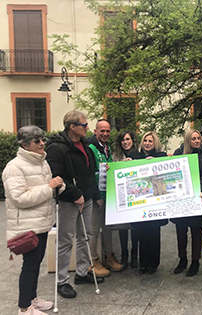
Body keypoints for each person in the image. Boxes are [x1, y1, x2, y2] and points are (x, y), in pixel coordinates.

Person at [3, 126, 64, 315]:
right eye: (37, 141)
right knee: (29, 266)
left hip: (42, 223)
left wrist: (58, 187)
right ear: (24, 145)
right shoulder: (14, 167)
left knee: (36, 263)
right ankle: (24, 307)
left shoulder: (41, 162)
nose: (42, 143)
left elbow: (48, 188)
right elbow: (19, 198)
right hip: (28, 225)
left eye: (42, 139)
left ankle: (32, 299)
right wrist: (49, 187)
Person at [46, 110, 105, 299]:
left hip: (86, 198)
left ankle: (81, 273)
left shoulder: (85, 145)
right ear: (72, 127)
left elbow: (89, 172)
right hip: (69, 200)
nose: (87, 128)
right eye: (84, 125)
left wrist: (94, 194)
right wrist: (75, 194)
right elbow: (57, 175)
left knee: (85, 236)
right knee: (65, 240)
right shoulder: (57, 147)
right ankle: (62, 281)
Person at [171, 129, 202, 276]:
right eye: (193, 139)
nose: (196, 141)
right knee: (180, 230)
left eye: (198, 138)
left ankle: (195, 261)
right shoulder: (178, 153)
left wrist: (201, 191)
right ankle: (182, 259)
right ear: (188, 140)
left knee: (196, 231)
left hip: (197, 197)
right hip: (180, 198)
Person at [129, 131, 168, 274]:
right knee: (141, 233)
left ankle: (153, 263)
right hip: (140, 202)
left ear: (155, 143)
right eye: (145, 140)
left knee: (154, 233)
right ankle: (143, 264)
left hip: (156, 201)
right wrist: (125, 163)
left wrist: (155, 163)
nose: (147, 143)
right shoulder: (134, 156)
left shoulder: (161, 156)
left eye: (150, 141)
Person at [88, 119, 122, 276]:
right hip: (97, 197)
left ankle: (109, 256)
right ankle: (93, 261)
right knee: (94, 229)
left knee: (107, 227)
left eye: (108, 131)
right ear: (95, 131)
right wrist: (96, 197)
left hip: (108, 195)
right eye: (102, 131)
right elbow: (88, 174)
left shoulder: (107, 148)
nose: (105, 133)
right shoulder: (91, 148)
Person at [113, 130, 141, 269]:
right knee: (122, 227)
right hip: (121, 196)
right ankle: (124, 255)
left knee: (135, 227)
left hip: (136, 196)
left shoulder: (138, 154)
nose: (126, 142)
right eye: (123, 140)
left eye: (128, 139)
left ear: (132, 140)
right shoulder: (115, 157)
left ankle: (134, 254)